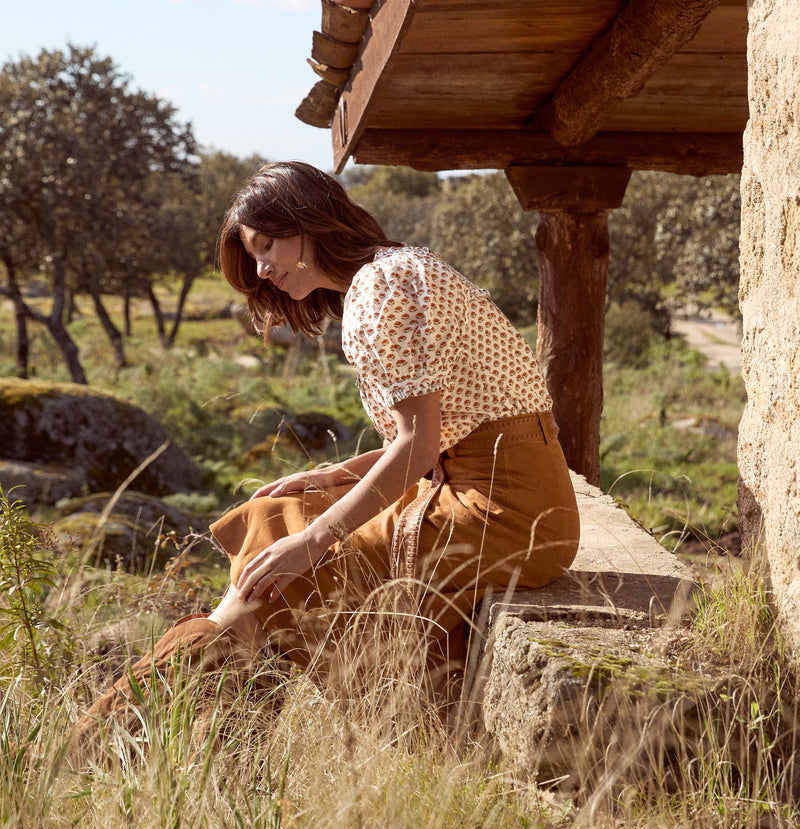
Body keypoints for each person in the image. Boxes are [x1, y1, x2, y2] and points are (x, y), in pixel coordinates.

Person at [67, 161, 579, 761]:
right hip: (495, 486)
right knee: (274, 516)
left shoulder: (381, 287)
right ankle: (212, 752)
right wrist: (333, 476)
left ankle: (99, 745)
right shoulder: (398, 270)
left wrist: (313, 540)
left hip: (507, 510)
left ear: (307, 220)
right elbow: (445, 435)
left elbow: (420, 444)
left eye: (266, 247)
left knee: (281, 575)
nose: (262, 270)